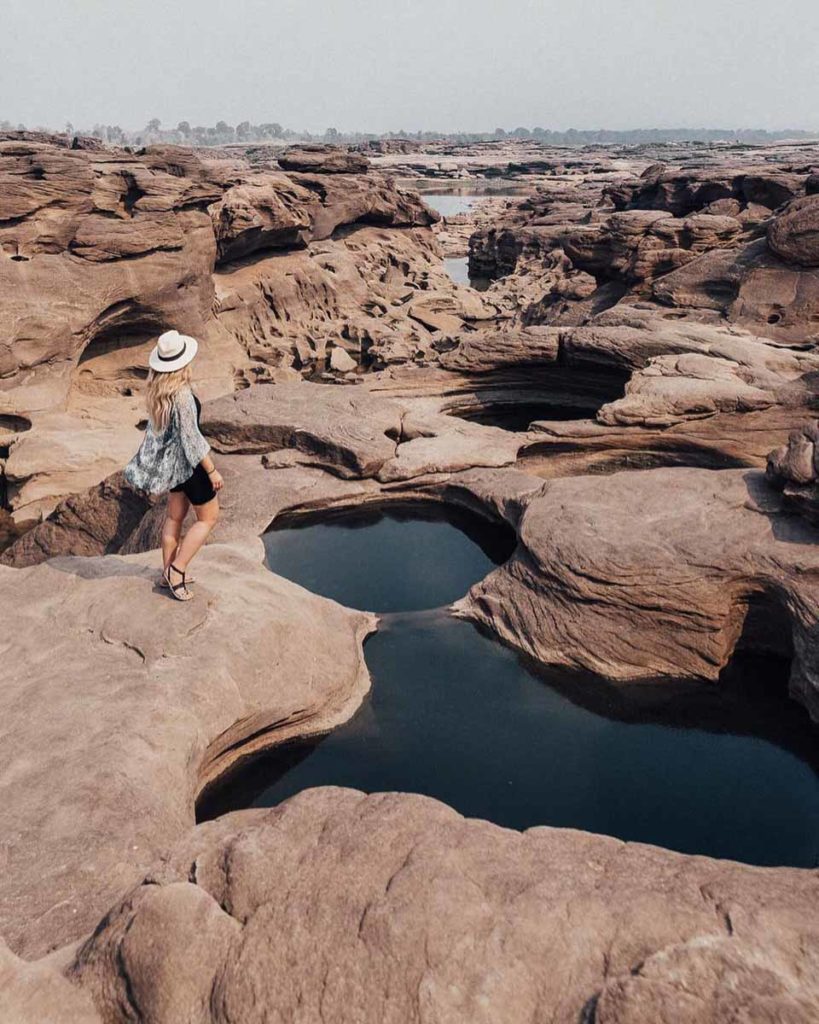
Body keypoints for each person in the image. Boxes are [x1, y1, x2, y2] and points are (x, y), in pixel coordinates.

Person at [124, 330, 223, 601]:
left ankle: (166, 571)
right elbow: (192, 439)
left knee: (174, 518)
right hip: (190, 468)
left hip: (172, 468)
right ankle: (177, 570)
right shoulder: (182, 396)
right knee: (209, 518)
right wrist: (211, 470)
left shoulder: (158, 392)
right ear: (183, 363)